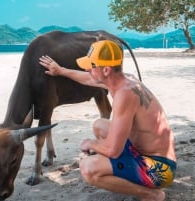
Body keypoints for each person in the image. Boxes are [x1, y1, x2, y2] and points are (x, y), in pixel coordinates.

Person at [39, 40, 176, 201]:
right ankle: (124, 173)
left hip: (160, 170)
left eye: (91, 65)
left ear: (106, 70)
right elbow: (88, 79)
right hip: (144, 153)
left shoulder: (125, 95)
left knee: (88, 168)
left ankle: (152, 195)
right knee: (100, 125)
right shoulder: (123, 80)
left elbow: (113, 151)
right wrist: (60, 70)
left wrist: (90, 144)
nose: (87, 69)